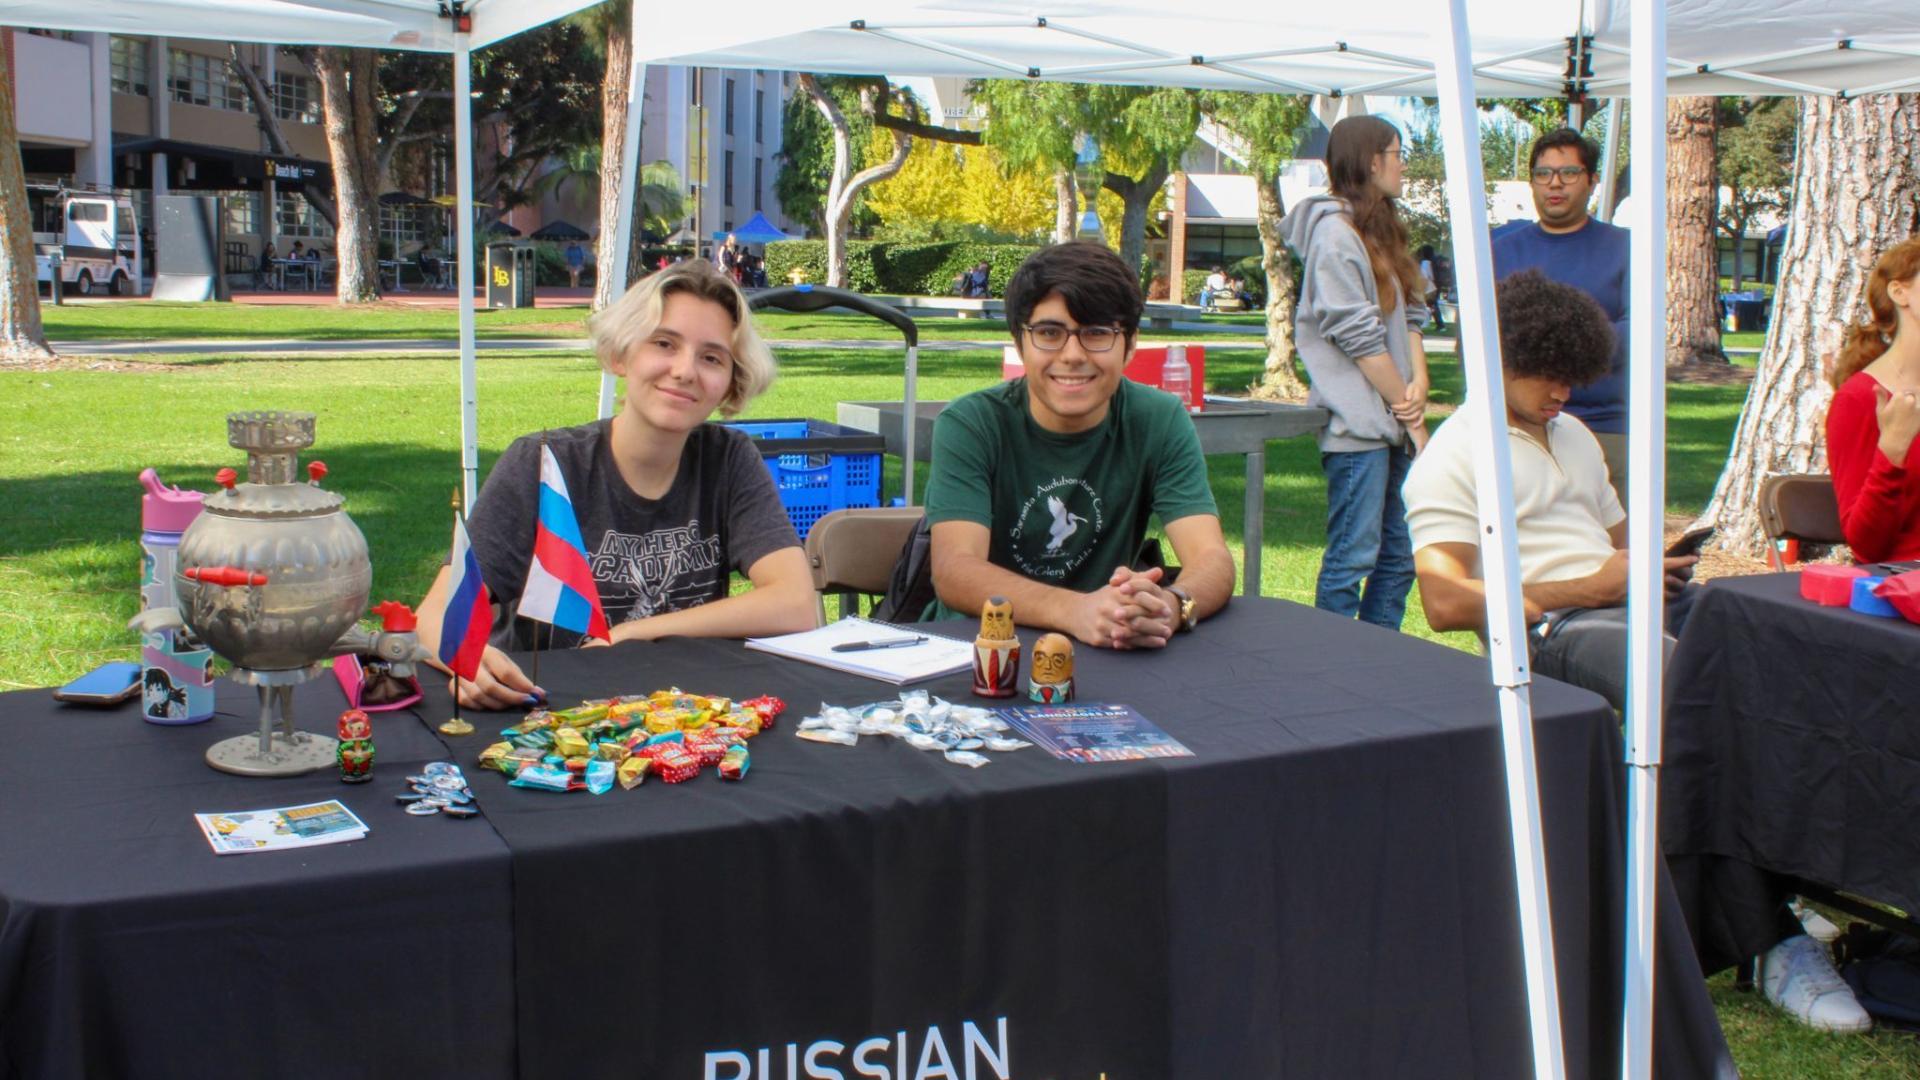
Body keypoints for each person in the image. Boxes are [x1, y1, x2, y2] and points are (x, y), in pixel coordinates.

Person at [414, 259, 818, 708]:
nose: (685, 371)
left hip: (678, 715)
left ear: (730, 385)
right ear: (620, 354)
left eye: (711, 357)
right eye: (664, 343)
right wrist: (462, 659)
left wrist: (633, 632)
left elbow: (796, 603)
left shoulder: (729, 460)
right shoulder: (544, 463)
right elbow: (435, 615)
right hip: (546, 713)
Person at [923, 241, 1236, 649]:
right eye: (1050, 333)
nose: (1072, 355)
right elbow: (954, 571)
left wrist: (1172, 605)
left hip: (1109, 647)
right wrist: (1075, 610)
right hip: (982, 649)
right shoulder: (972, 424)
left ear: (1131, 343)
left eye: (1097, 333)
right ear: (1020, 343)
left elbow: (1212, 559)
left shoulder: (1158, 418)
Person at [1405, 268, 1692, 710]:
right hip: (1553, 628)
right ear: (1499, 359)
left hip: (1624, 602)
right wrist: (1589, 589)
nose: (1564, 392)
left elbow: (1622, 542)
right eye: (1549, 375)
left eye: (1572, 376)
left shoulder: (1573, 432)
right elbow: (1443, 603)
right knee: (1685, 681)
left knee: (1752, 633)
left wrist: (1656, 567)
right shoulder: (1455, 454)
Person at [1280, 114, 1430, 630]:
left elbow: (1412, 313)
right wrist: (1408, 409)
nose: (1404, 164)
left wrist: (1419, 383)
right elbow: (1358, 337)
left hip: (1392, 417)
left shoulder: (1380, 230)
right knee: (1353, 559)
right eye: (1397, 153)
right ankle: (1332, 667)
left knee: (1401, 556)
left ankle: (1378, 657)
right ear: (1371, 161)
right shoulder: (1334, 236)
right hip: (1358, 428)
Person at [1491, 127, 1631, 505]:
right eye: (1543, 173)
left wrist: (1546, 357)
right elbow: (1485, 339)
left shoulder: (1627, 248)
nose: (1555, 184)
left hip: (1605, 426)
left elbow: (1634, 336)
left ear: (1592, 181)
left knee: (1614, 548)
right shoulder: (1498, 251)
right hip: (1518, 427)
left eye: (1568, 173)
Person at [1830, 237, 1920, 563]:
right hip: (1899, 590)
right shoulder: (1858, 398)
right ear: (1900, 293)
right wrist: (1893, 447)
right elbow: (1866, 546)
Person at [1416, 244, 1444, 330]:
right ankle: (1439, 324)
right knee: (1433, 305)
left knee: (1430, 305)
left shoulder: (1425, 263)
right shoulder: (1434, 262)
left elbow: (1426, 276)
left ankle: (1439, 324)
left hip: (1428, 287)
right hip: (1435, 286)